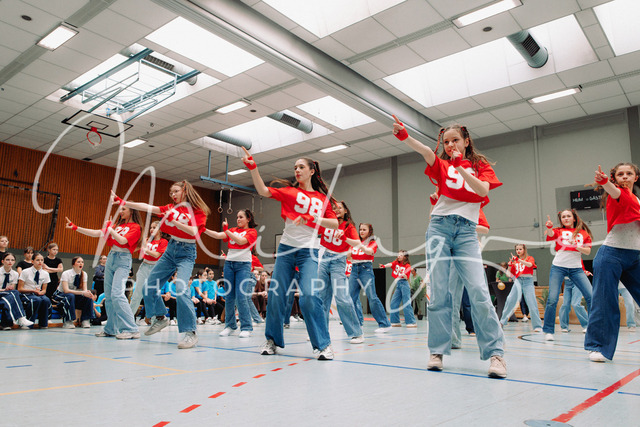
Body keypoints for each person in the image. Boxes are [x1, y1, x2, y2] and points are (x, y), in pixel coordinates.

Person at [393, 117, 506, 378]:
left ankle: (496, 354)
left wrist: (461, 167)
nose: (451, 145)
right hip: (439, 229)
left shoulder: (479, 166)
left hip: (467, 232)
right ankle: (437, 351)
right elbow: (425, 151)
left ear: (466, 142)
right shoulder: (442, 165)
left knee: (479, 291)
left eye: (455, 140)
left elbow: (482, 191)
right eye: (446, 142)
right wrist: (405, 137)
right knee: (440, 294)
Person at [242, 147, 338, 359]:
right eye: (295, 167)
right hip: (286, 250)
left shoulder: (321, 199)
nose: (297, 170)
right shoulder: (289, 192)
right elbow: (263, 191)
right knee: (276, 296)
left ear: (312, 171)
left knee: (309, 296)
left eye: (301, 167)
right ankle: (272, 340)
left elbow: (334, 223)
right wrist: (253, 168)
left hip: (309, 252)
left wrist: (312, 219)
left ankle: (323, 345)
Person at [117, 180, 210, 349]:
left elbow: (194, 232)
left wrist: (174, 221)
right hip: (170, 250)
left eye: (176, 191)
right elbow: (147, 207)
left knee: (181, 289)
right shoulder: (170, 208)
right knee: (148, 286)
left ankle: (190, 332)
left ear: (185, 191)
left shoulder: (197, 210)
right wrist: (125, 202)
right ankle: (160, 317)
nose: (173, 195)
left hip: (186, 252)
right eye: (171, 192)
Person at [585, 163, 640, 362]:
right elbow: (614, 190)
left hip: (635, 257)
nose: (625, 176)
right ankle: (597, 346)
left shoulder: (637, 200)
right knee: (605, 302)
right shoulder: (616, 193)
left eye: (629, 173)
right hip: (611, 256)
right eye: (620, 174)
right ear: (615, 178)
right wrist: (605, 182)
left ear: (636, 177)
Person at [66, 205, 141, 340]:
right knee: (110, 296)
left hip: (123, 259)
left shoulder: (135, 227)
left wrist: (110, 229)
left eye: (124, 209)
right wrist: (76, 227)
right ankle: (111, 329)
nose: (121, 211)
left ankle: (132, 329)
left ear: (132, 211)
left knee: (117, 294)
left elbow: (122, 240)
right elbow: (96, 233)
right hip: (111, 257)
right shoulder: (117, 226)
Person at [205, 209, 258, 338]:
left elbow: (241, 241)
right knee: (229, 296)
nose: (238, 219)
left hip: (243, 265)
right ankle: (230, 325)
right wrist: (203, 229)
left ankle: (246, 327)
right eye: (237, 217)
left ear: (248, 219)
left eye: (241, 217)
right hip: (229, 264)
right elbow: (218, 235)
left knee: (241, 296)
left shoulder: (252, 232)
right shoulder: (233, 230)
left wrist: (227, 230)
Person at [317, 200, 364, 343]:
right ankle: (320, 332)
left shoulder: (349, 226)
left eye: (340, 208)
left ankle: (356, 333)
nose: (336, 210)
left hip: (338, 261)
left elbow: (358, 243)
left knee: (342, 297)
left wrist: (345, 238)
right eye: (334, 208)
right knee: (321, 297)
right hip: (324, 258)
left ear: (345, 210)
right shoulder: (328, 222)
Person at [543, 209, 593, 341]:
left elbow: (587, 251)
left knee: (591, 296)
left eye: (568, 216)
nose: (565, 218)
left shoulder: (583, 233)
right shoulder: (558, 231)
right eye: (563, 217)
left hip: (576, 269)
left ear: (574, 218)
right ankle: (548, 330)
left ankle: (593, 327)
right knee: (552, 299)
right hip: (558, 267)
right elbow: (551, 234)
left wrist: (577, 246)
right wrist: (549, 227)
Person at [349, 223, 392, 333]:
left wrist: (358, 245)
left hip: (365, 269)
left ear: (369, 231)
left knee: (372, 297)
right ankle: (357, 323)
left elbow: (369, 252)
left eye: (364, 229)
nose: (361, 231)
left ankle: (385, 324)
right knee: (350, 298)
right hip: (354, 269)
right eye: (360, 229)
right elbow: (349, 256)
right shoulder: (355, 242)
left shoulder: (372, 243)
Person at [130, 221, 169, 320]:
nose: (151, 229)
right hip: (144, 267)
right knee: (137, 294)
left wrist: (145, 249)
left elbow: (156, 255)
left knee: (153, 294)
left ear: (160, 230)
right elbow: (136, 249)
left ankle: (156, 319)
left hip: (156, 269)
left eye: (154, 227)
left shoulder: (163, 242)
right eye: (151, 227)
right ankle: (128, 318)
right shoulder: (147, 240)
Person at [499, 244, 542, 332]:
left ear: (524, 250)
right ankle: (502, 322)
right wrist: (510, 265)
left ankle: (537, 326)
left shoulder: (529, 258)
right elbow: (508, 275)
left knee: (532, 303)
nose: (518, 251)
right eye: (517, 249)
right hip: (518, 281)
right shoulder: (515, 262)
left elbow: (530, 265)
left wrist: (518, 260)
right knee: (510, 300)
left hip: (528, 281)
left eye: (520, 249)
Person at [51, 256, 94, 329]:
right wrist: (82, 293)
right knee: (70, 296)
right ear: (73, 264)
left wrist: (88, 293)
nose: (81, 263)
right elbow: (66, 290)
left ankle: (85, 320)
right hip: (60, 295)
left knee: (88, 298)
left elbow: (84, 290)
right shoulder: (66, 273)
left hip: (72, 296)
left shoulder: (84, 274)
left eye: (82, 262)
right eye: (78, 262)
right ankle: (68, 321)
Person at [381, 250, 416, 328]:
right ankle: (395, 321)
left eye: (401, 255)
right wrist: (384, 266)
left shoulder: (407, 266)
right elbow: (390, 264)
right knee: (393, 303)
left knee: (406, 303)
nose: (399, 256)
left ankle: (411, 322)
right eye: (398, 255)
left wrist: (401, 272)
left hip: (404, 284)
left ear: (405, 257)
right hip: (398, 284)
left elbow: (406, 277)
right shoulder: (396, 263)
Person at [1, 253, 34, 329]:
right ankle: (21, 318)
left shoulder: (15, 274)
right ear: (2, 261)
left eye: (12, 260)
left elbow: (12, 288)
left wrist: (9, 289)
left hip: (6, 296)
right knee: (14, 294)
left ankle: (5, 324)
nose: (10, 262)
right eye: (7, 260)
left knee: (12, 295)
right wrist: (4, 290)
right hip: (1, 293)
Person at [18, 252, 51, 328]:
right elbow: (20, 289)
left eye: (42, 260)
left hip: (37, 294)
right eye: (37, 260)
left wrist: (41, 292)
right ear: (32, 261)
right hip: (26, 294)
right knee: (36, 300)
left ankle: (43, 323)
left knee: (46, 300)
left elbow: (44, 290)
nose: (40, 262)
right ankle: (29, 323)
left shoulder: (45, 274)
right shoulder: (25, 272)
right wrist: (32, 291)